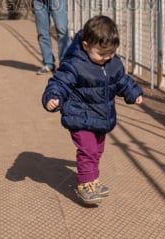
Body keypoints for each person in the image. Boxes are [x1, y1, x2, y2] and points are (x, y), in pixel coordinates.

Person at [42, 15, 144, 205]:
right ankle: (85, 183)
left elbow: (122, 80)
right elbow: (60, 82)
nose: (107, 58)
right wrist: (53, 97)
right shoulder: (75, 64)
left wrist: (133, 92)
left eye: (111, 53)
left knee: (97, 150)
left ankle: (93, 180)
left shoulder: (112, 63)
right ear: (87, 45)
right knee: (88, 150)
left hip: (101, 117)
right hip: (79, 115)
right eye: (102, 54)